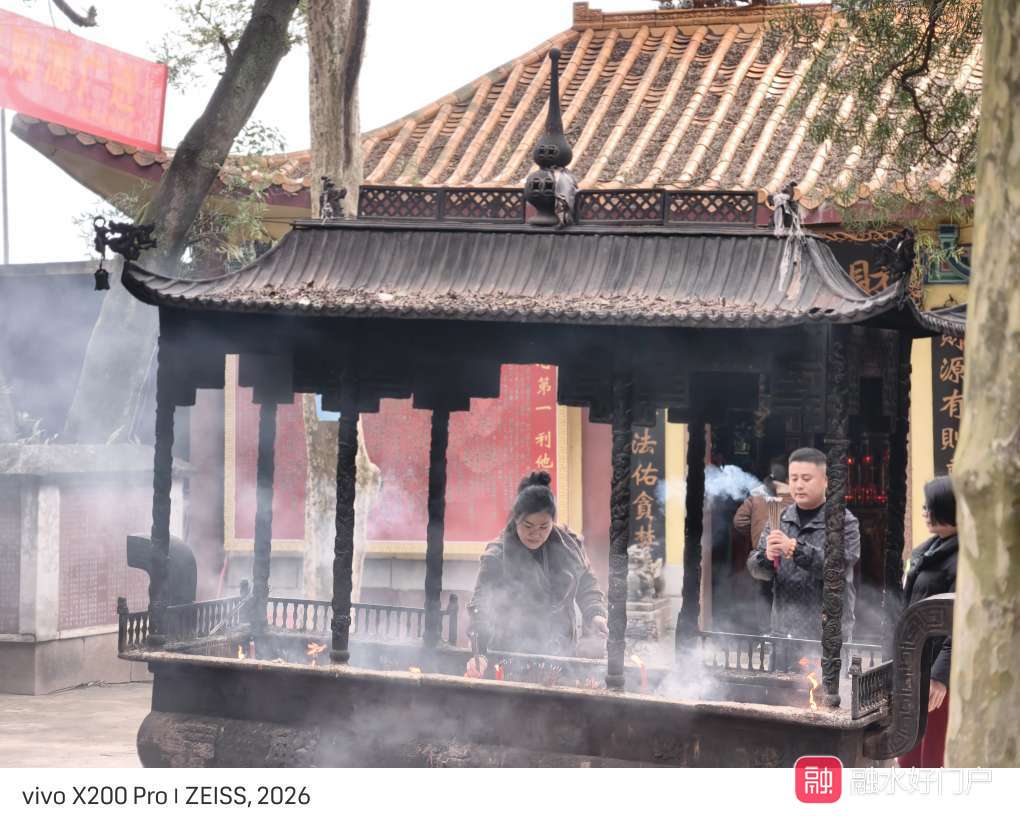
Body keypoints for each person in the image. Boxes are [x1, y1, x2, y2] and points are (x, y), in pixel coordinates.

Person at [466, 471, 608, 673]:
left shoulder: (569, 547)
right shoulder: (497, 555)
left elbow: (586, 583)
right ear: (516, 520)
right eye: (528, 526)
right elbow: (482, 602)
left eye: (544, 526)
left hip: (561, 647)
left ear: (553, 522)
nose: (536, 534)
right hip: (511, 649)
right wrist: (479, 652)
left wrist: (595, 614)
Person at [746, 447, 860, 642]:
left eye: (806, 479)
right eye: (794, 479)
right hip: (783, 630)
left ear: (826, 481)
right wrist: (766, 557)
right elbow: (756, 569)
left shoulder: (843, 521)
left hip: (827, 633)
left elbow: (839, 566)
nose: (799, 485)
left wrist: (795, 549)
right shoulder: (780, 518)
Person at [897, 476, 958, 769]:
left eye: (930, 506)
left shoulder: (964, 556)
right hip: (916, 663)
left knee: (932, 755)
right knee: (908, 748)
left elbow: (959, 623)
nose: (924, 511)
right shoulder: (929, 548)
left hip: (939, 672)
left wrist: (940, 676)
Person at [732, 458, 794, 632]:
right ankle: (786, 634)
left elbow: (739, 521)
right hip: (789, 557)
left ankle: (766, 634)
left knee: (763, 592)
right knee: (788, 597)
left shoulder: (756, 496)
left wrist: (756, 534)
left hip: (763, 554)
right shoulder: (798, 498)